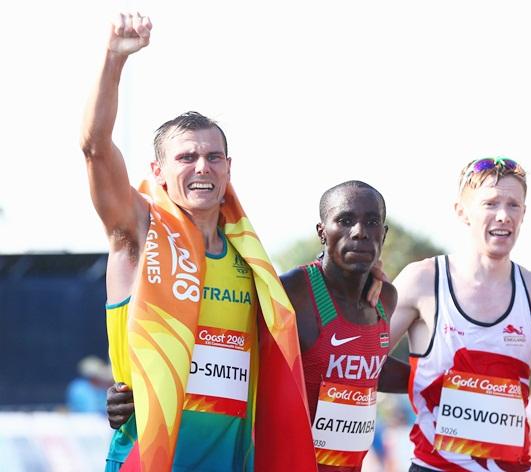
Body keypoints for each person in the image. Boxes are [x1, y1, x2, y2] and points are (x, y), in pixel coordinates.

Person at [81, 12, 315, 472]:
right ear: (158, 173)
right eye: (186, 157)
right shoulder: (139, 234)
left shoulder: (251, 263)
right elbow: (95, 147)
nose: (202, 167)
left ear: (229, 168)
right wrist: (113, 61)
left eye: (213, 157)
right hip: (149, 460)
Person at [109, 180, 410, 471]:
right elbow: (227, 352)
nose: (359, 232)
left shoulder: (384, 297)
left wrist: (438, 383)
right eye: (344, 220)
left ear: (383, 234)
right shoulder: (290, 293)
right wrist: (143, 389)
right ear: (322, 231)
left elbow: (366, 369)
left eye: (372, 222)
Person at [389, 157, 531, 471]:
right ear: (461, 211)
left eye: (513, 205)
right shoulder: (423, 280)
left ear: (524, 214)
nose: (503, 216)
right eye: (490, 203)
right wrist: (422, 381)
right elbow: (362, 364)